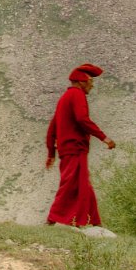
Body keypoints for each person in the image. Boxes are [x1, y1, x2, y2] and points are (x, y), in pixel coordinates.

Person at [45, 63, 116, 228]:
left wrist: (51, 154)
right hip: (75, 147)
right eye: (91, 81)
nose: (92, 85)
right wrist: (104, 138)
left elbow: (52, 128)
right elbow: (82, 119)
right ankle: (51, 219)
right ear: (81, 81)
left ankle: (95, 222)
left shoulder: (64, 99)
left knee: (83, 184)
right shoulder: (77, 95)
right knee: (70, 184)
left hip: (67, 149)